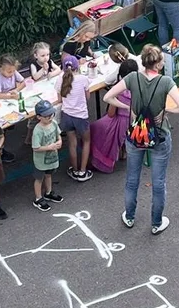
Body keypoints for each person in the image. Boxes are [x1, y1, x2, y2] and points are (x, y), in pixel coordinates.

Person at [104, 44, 179, 235]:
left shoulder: (133, 78)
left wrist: (129, 109)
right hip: (159, 134)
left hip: (136, 134)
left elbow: (108, 97)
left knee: (132, 179)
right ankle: (156, 222)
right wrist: (166, 111)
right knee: (158, 182)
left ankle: (130, 216)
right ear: (158, 64)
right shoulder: (166, 82)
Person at [90, 55, 137, 174]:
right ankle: (123, 151)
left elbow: (111, 114)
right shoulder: (140, 85)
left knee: (95, 127)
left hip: (121, 122)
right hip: (136, 120)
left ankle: (103, 161)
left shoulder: (119, 90)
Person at [56, 54, 95, 182]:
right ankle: (82, 171)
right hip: (81, 116)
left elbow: (60, 99)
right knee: (86, 141)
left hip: (67, 115)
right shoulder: (83, 79)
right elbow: (88, 97)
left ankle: (74, 169)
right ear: (77, 67)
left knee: (72, 143)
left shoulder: (60, 80)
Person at [30, 100, 64, 211]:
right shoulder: (38, 130)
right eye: (46, 116)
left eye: (51, 115)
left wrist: (59, 141)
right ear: (39, 117)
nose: (50, 117)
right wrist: (49, 147)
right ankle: (38, 198)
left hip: (51, 158)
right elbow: (35, 147)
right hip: (41, 161)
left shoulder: (53, 123)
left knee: (49, 175)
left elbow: (58, 134)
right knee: (39, 178)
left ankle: (48, 192)